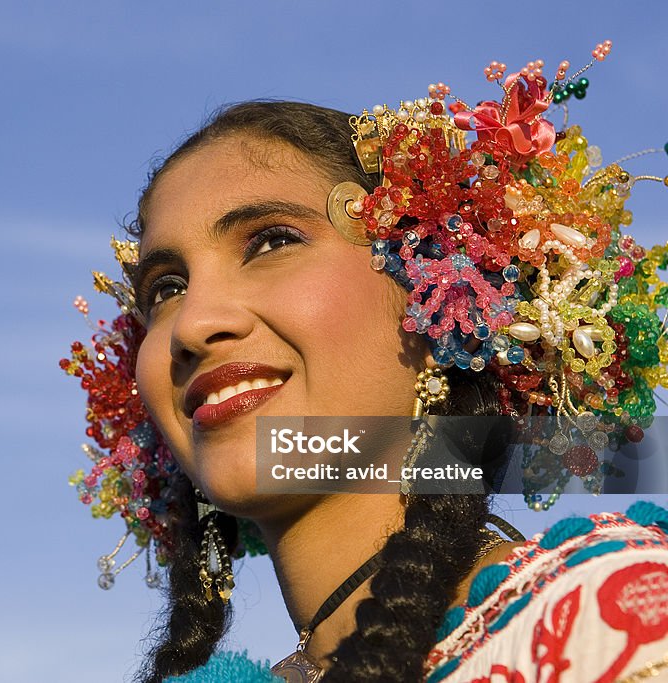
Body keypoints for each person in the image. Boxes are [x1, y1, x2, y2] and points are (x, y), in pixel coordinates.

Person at [62, 42, 668, 682]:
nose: (193, 324)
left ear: (437, 292)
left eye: (271, 241)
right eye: (165, 289)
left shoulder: (612, 617)